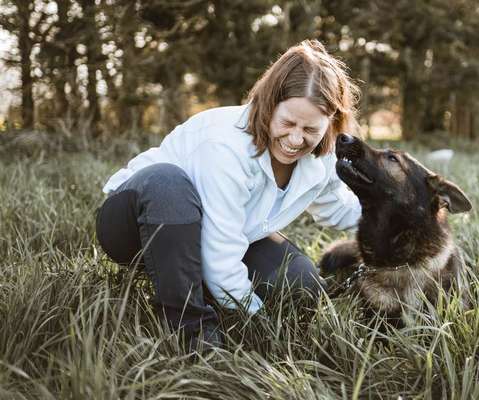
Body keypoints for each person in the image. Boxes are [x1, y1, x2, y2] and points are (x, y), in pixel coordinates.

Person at [95, 39, 362, 351]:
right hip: (134, 225)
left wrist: (407, 223)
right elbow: (220, 260)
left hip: (217, 236)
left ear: (330, 123)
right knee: (167, 183)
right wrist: (257, 322)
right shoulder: (224, 145)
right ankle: (193, 335)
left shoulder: (322, 155)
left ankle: (203, 292)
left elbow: (341, 208)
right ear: (268, 105)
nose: (295, 139)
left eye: (310, 130)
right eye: (287, 123)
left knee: (301, 283)